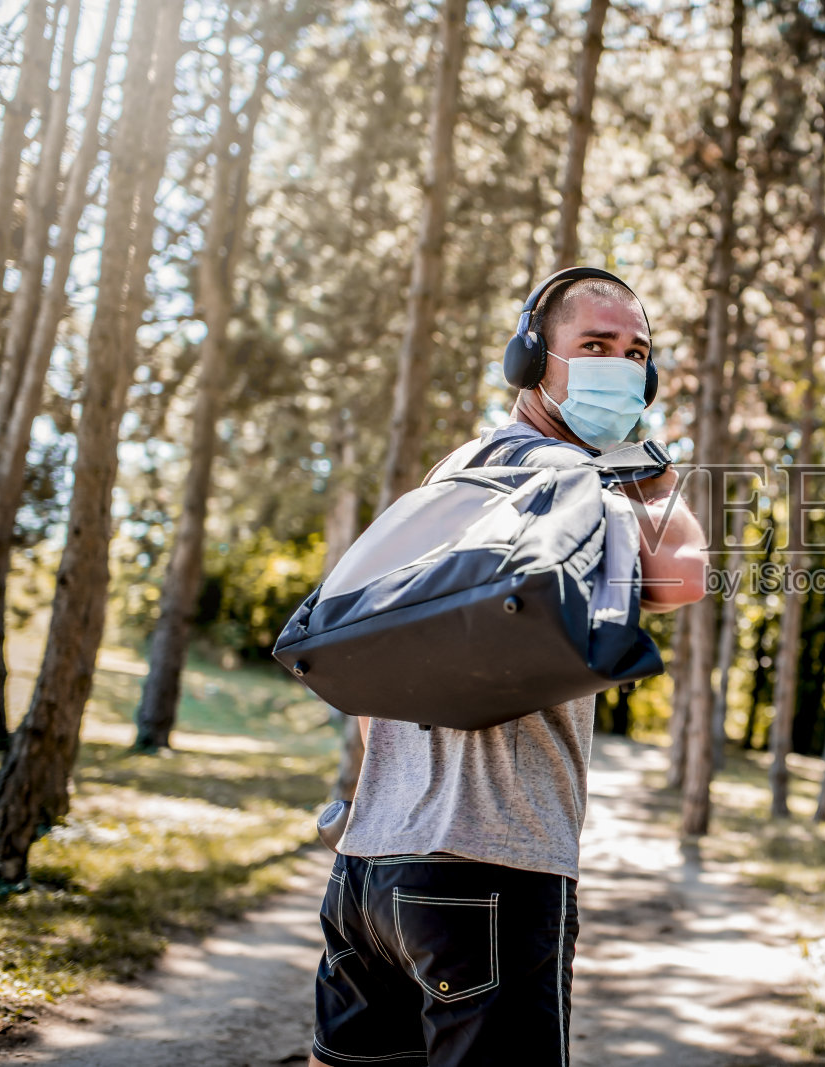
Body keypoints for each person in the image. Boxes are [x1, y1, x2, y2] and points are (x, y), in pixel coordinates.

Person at [308, 271, 708, 1067]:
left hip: (369, 868)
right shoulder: (573, 481)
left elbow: (370, 657)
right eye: (594, 347)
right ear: (532, 362)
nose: (621, 370)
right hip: (493, 871)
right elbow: (683, 574)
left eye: (637, 355)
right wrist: (652, 465)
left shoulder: (453, 472)